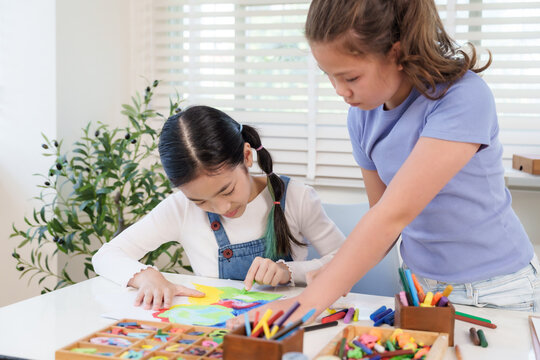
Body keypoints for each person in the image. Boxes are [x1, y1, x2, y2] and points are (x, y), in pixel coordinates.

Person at [233, 0, 540, 323]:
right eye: (329, 76)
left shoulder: (463, 98)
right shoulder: (361, 118)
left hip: (493, 291)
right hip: (418, 286)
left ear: (396, 53)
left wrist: (306, 304)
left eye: (350, 77)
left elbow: (394, 215)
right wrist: (333, 271)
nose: (340, 91)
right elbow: (381, 218)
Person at [92, 105, 345, 310]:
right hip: (215, 331)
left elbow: (344, 260)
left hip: (286, 327)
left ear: (247, 157)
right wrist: (146, 276)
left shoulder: (296, 198)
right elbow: (105, 256)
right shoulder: (180, 209)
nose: (222, 207)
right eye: (200, 200)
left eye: (227, 190)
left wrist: (288, 271)